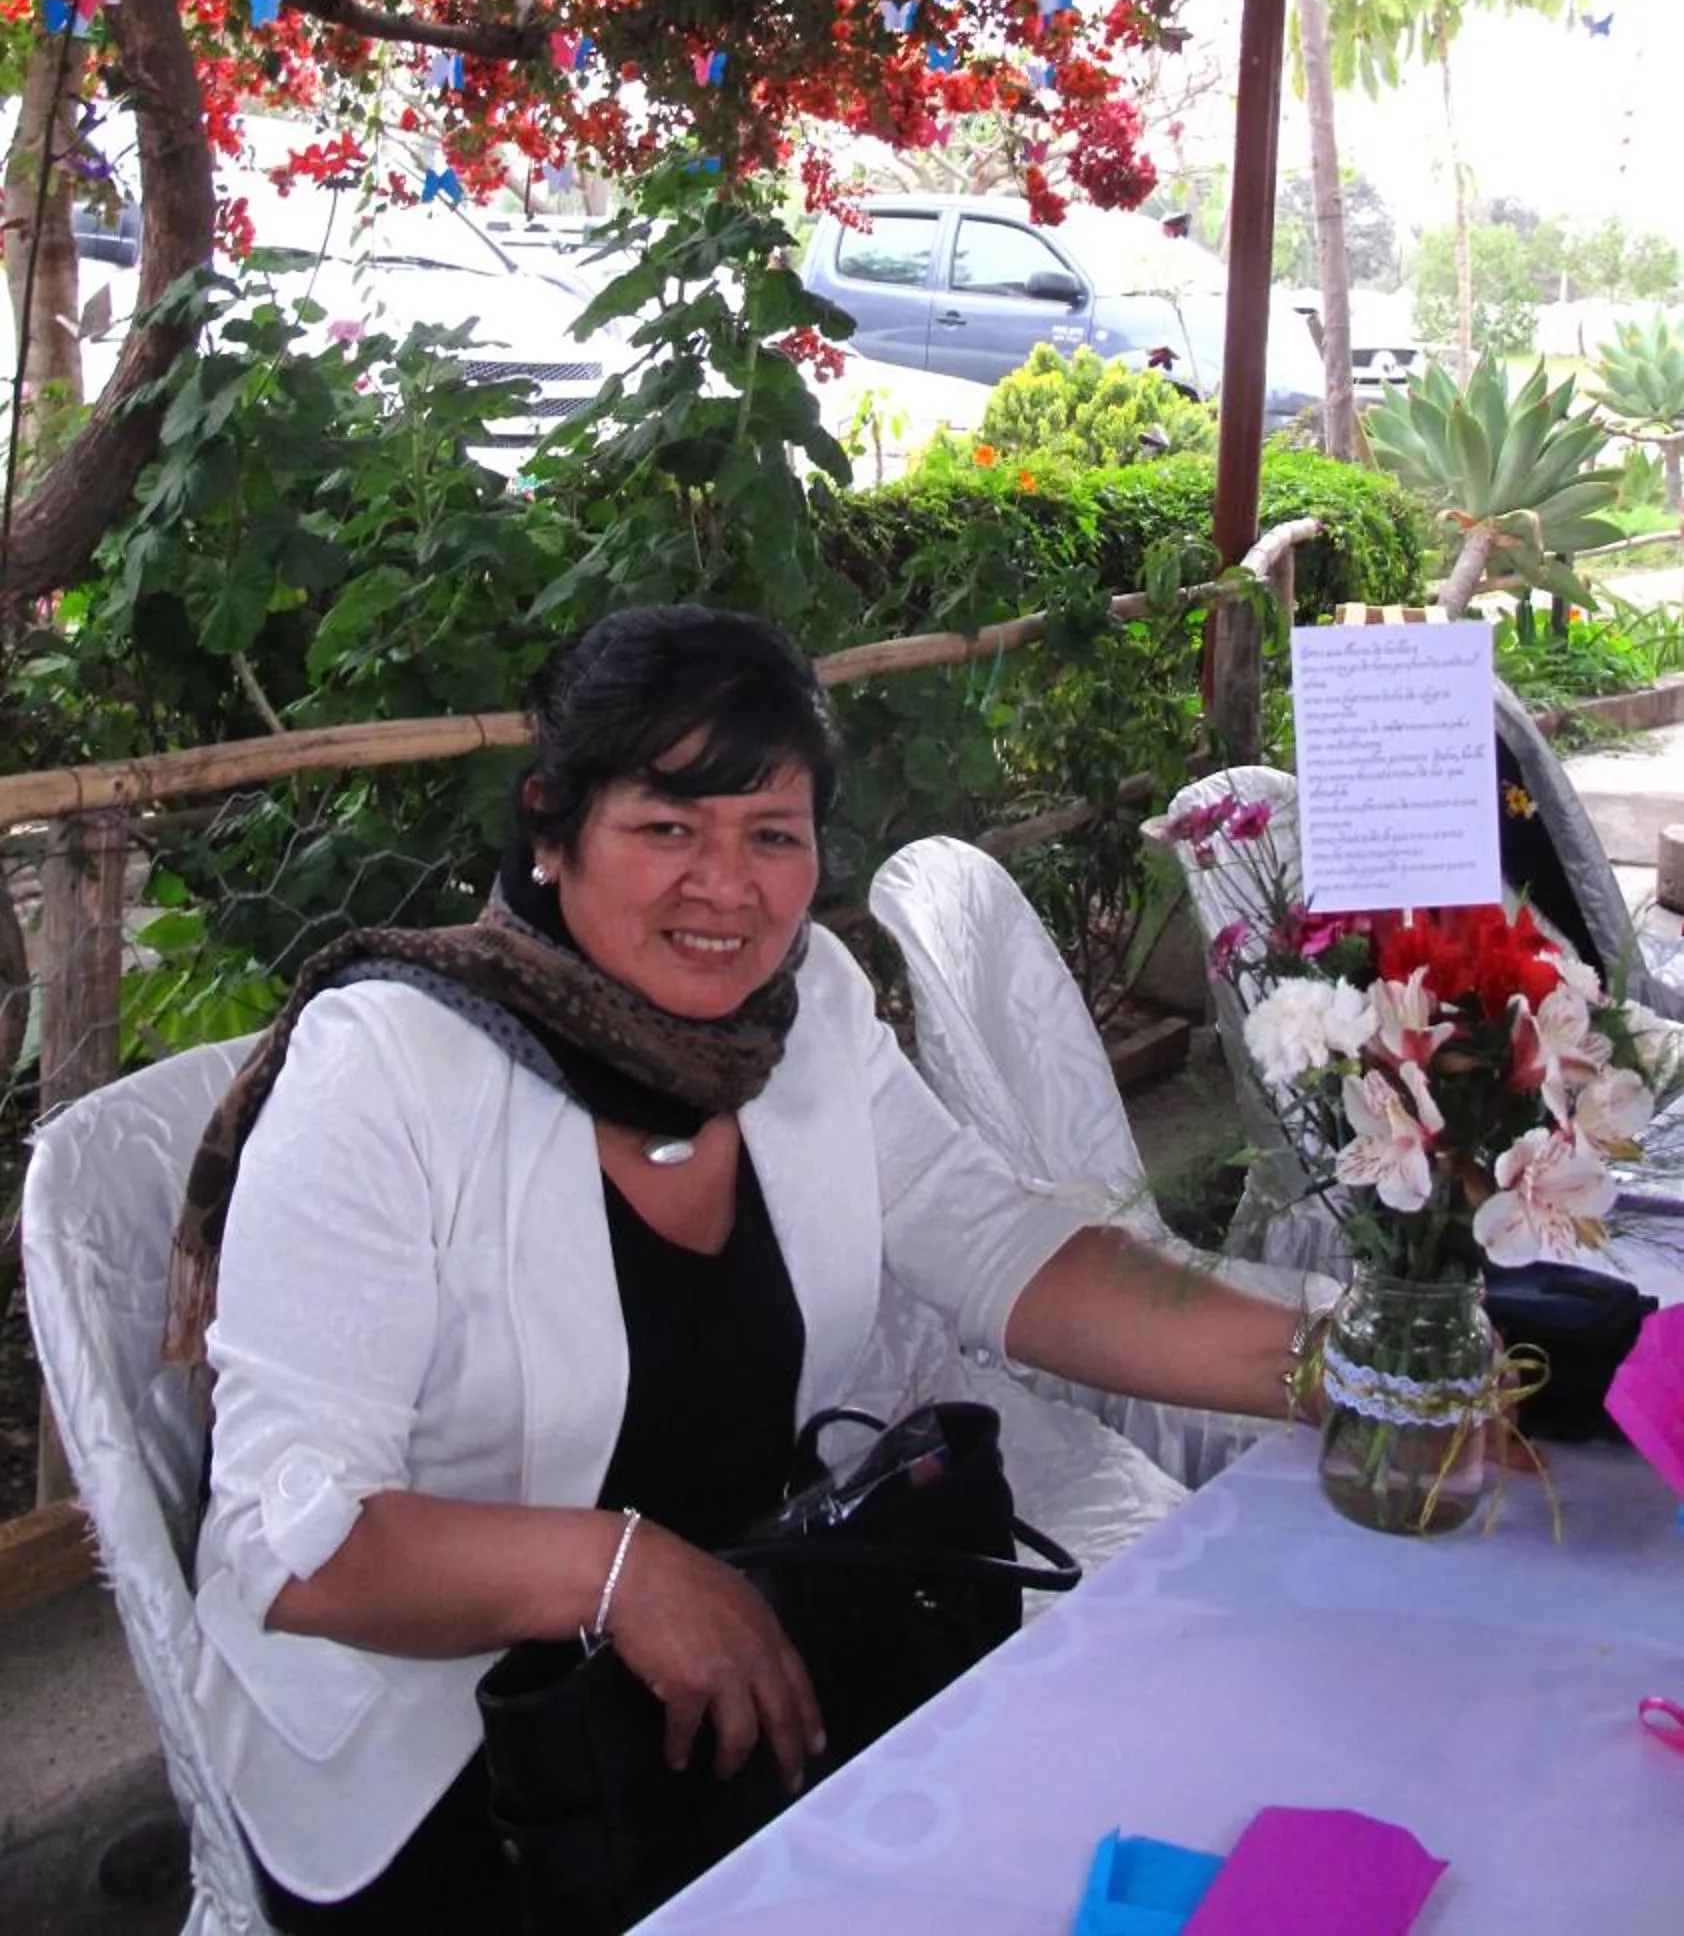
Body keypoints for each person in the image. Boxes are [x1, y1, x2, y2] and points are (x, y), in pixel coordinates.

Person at [180, 604, 1317, 1929]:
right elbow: (290, 1544)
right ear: (552, 828)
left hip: (741, 1677)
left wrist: (1329, 1369)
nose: (726, 887)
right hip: (450, 1767)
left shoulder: (801, 1010)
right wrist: (621, 1571)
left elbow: (1009, 1251)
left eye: (771, 835)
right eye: (667, 828)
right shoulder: (390, 1070)